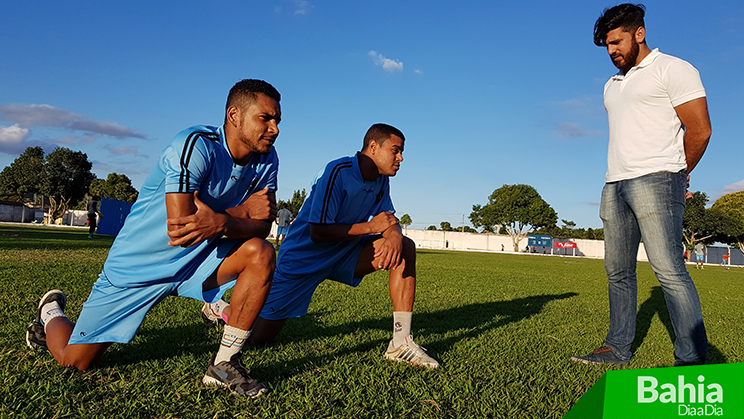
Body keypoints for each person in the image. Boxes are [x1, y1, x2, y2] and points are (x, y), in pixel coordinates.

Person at [25, 79, 282, 398]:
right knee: (73, 360)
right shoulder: (195, 144)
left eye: (277, 121)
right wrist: (241, 211)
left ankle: (224, 364)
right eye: (265, 118)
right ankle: (51, 313)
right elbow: (181, 230)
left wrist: (222, 221)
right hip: (139, 266)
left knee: (262, 253)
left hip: (199, 262)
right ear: (234, 115)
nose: (274, 128)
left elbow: (260, 227)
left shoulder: (268, 161)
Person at [571, 4, 711, 367]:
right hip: (613, 184)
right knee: (617, 271)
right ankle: (617, 348)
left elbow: (700, 129)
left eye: (616, 41)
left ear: (639, 33)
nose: (612, 50)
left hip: (658, 180)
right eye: (606, 45)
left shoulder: (674, 69)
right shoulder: (611, 85)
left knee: (668, 271)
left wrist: (679, 173)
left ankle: (692, 360)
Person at [246, 123, 439, 368]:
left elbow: (389, 219)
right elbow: (318, 233)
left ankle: (400, 343)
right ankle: (225, 311)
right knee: (259, 340)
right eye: (396, 150)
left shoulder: (381, 180)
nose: (400, 158)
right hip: (304, 258)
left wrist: (394, 235)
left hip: (345, 253)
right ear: (373, 147)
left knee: (406, 248)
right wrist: (371, 228)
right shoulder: (337, 171)